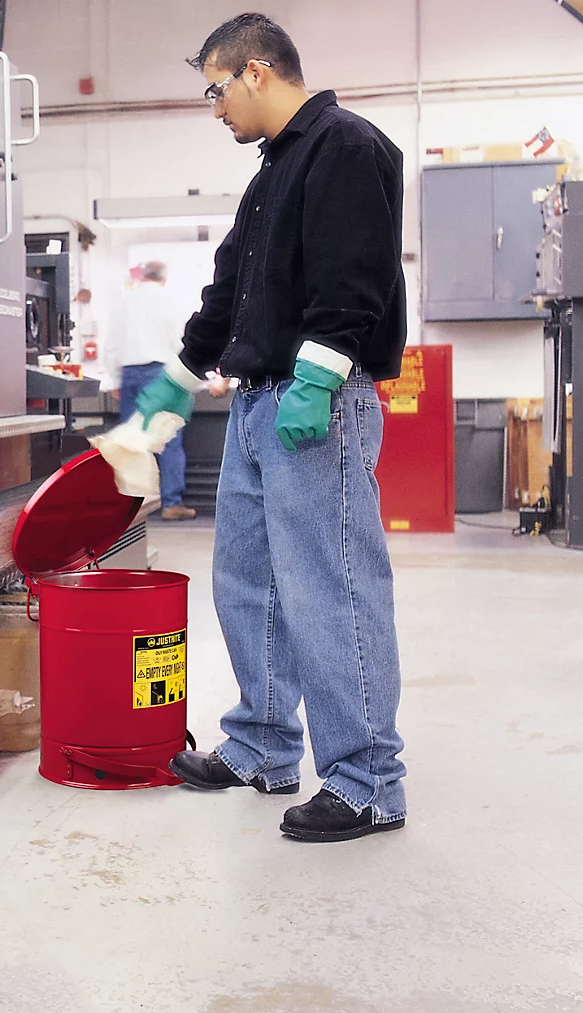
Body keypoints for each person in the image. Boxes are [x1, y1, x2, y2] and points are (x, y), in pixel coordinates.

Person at [133, 13, 408, 843]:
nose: (215, 109)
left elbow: (356, 276)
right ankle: (261, 747)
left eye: (216, 91)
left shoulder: (346, 147)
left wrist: (319, 377)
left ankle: (368, 783)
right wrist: (179, 377)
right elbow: (229, 291)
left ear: (256, 70)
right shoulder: (273, 171)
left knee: (331, 589)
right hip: (257, 406)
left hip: (316, 404)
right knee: (247, 584)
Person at [104, 262, 196, 520]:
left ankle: (131, 507)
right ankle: (171, 504)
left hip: (129, 374)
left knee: (131, 440)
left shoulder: (124, 302)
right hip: (162, 375)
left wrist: (115, 379)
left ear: (143, 277)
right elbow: (181, 343)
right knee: (169, 438)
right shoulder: (170, 301)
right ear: (164, 279)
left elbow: (110, 344)